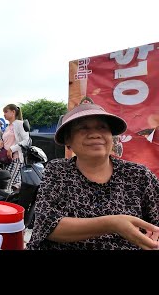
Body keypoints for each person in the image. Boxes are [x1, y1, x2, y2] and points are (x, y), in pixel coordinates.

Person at [27, 103, 159, 250]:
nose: (95, 134)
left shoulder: (139, 175)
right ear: (68, 140)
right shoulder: (57, 170)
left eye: (102, 127)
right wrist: (113, 224)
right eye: (83, 128)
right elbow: (46, 225)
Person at [0, 104, 31, 191]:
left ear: (13, 112)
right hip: (7, 160)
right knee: (10, 185)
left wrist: (11, 149)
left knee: (7, 185)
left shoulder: (20, 124)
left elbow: (26, 141)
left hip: (16, 159)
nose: (4, 114)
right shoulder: (8, 127)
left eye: (6, 112)